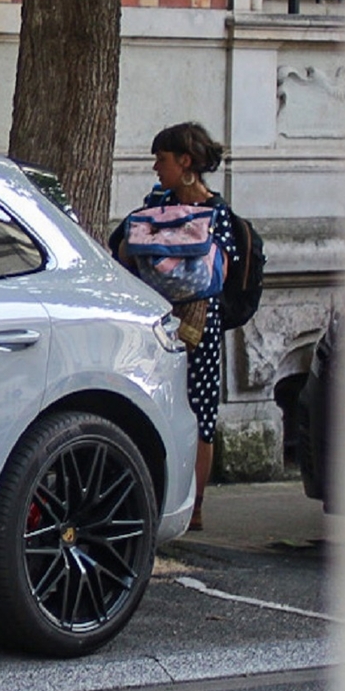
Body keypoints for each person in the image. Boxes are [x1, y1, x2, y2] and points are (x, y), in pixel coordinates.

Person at [134, 121, 236, 531]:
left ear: (185, 163)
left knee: (200, 414)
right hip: (157, 321)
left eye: (162, 160)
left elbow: (218, 273)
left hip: (200, 327)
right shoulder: (154, 201)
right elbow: (123, 245)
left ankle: (193, 506)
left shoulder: (219, 212)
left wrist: (159, 250)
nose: (156, 168)